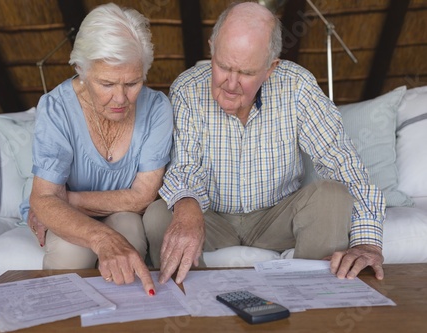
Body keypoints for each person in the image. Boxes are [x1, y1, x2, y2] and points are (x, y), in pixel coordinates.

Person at [143, 1, 386, 285]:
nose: (231, 84)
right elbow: (185, 166)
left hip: (276, 217)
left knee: (332, 195)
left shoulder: (297, 86)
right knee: (159, 216)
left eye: (246, 73)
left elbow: (343, 163)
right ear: (212, 49)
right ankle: (194, 308)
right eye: (222, 66)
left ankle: (311, 300)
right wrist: (186, 206)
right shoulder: (187, 89)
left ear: (270, 68)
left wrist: (368, 242)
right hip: (212, 218)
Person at [20, 3, 173, 296]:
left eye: (132, 82)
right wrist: (99, 237)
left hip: (120, 211)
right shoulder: (56, 108)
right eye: (106, 83)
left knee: (130, 237)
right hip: (79, 212)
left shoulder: (156, 108)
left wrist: (65, 199)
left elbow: (142, 196)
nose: (120, 98)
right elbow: (44, 198)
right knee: (69, 256)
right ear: (81, 70)